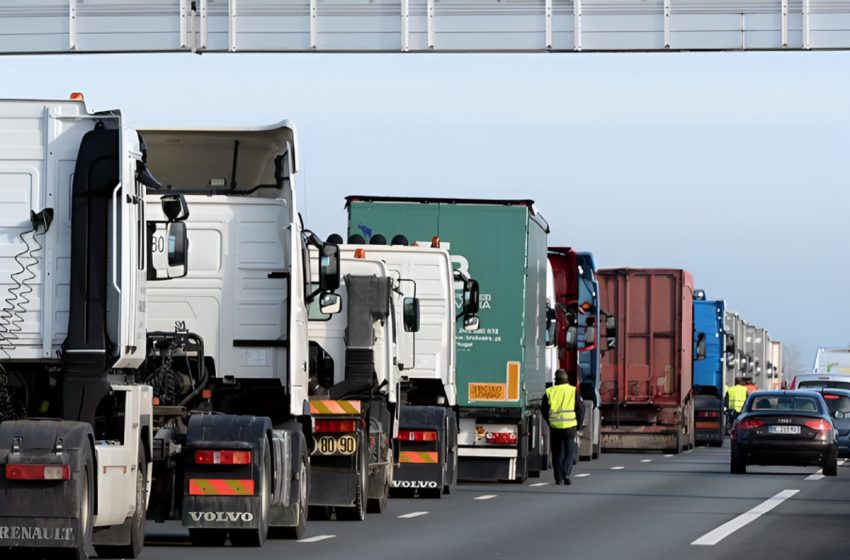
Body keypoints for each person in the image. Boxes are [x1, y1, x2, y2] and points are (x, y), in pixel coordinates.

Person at [542, 369, 584, 485]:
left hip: (555, 426)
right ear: (566, 380)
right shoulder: (573, 390)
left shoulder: (550, 391)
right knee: (570, 451)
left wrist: (549, 421)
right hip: (570, 426)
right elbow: (580, 409)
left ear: (556, 380)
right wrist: (579, 425)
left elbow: (544, 409)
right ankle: (566, 473)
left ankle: (558, 478)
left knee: (557, 453)